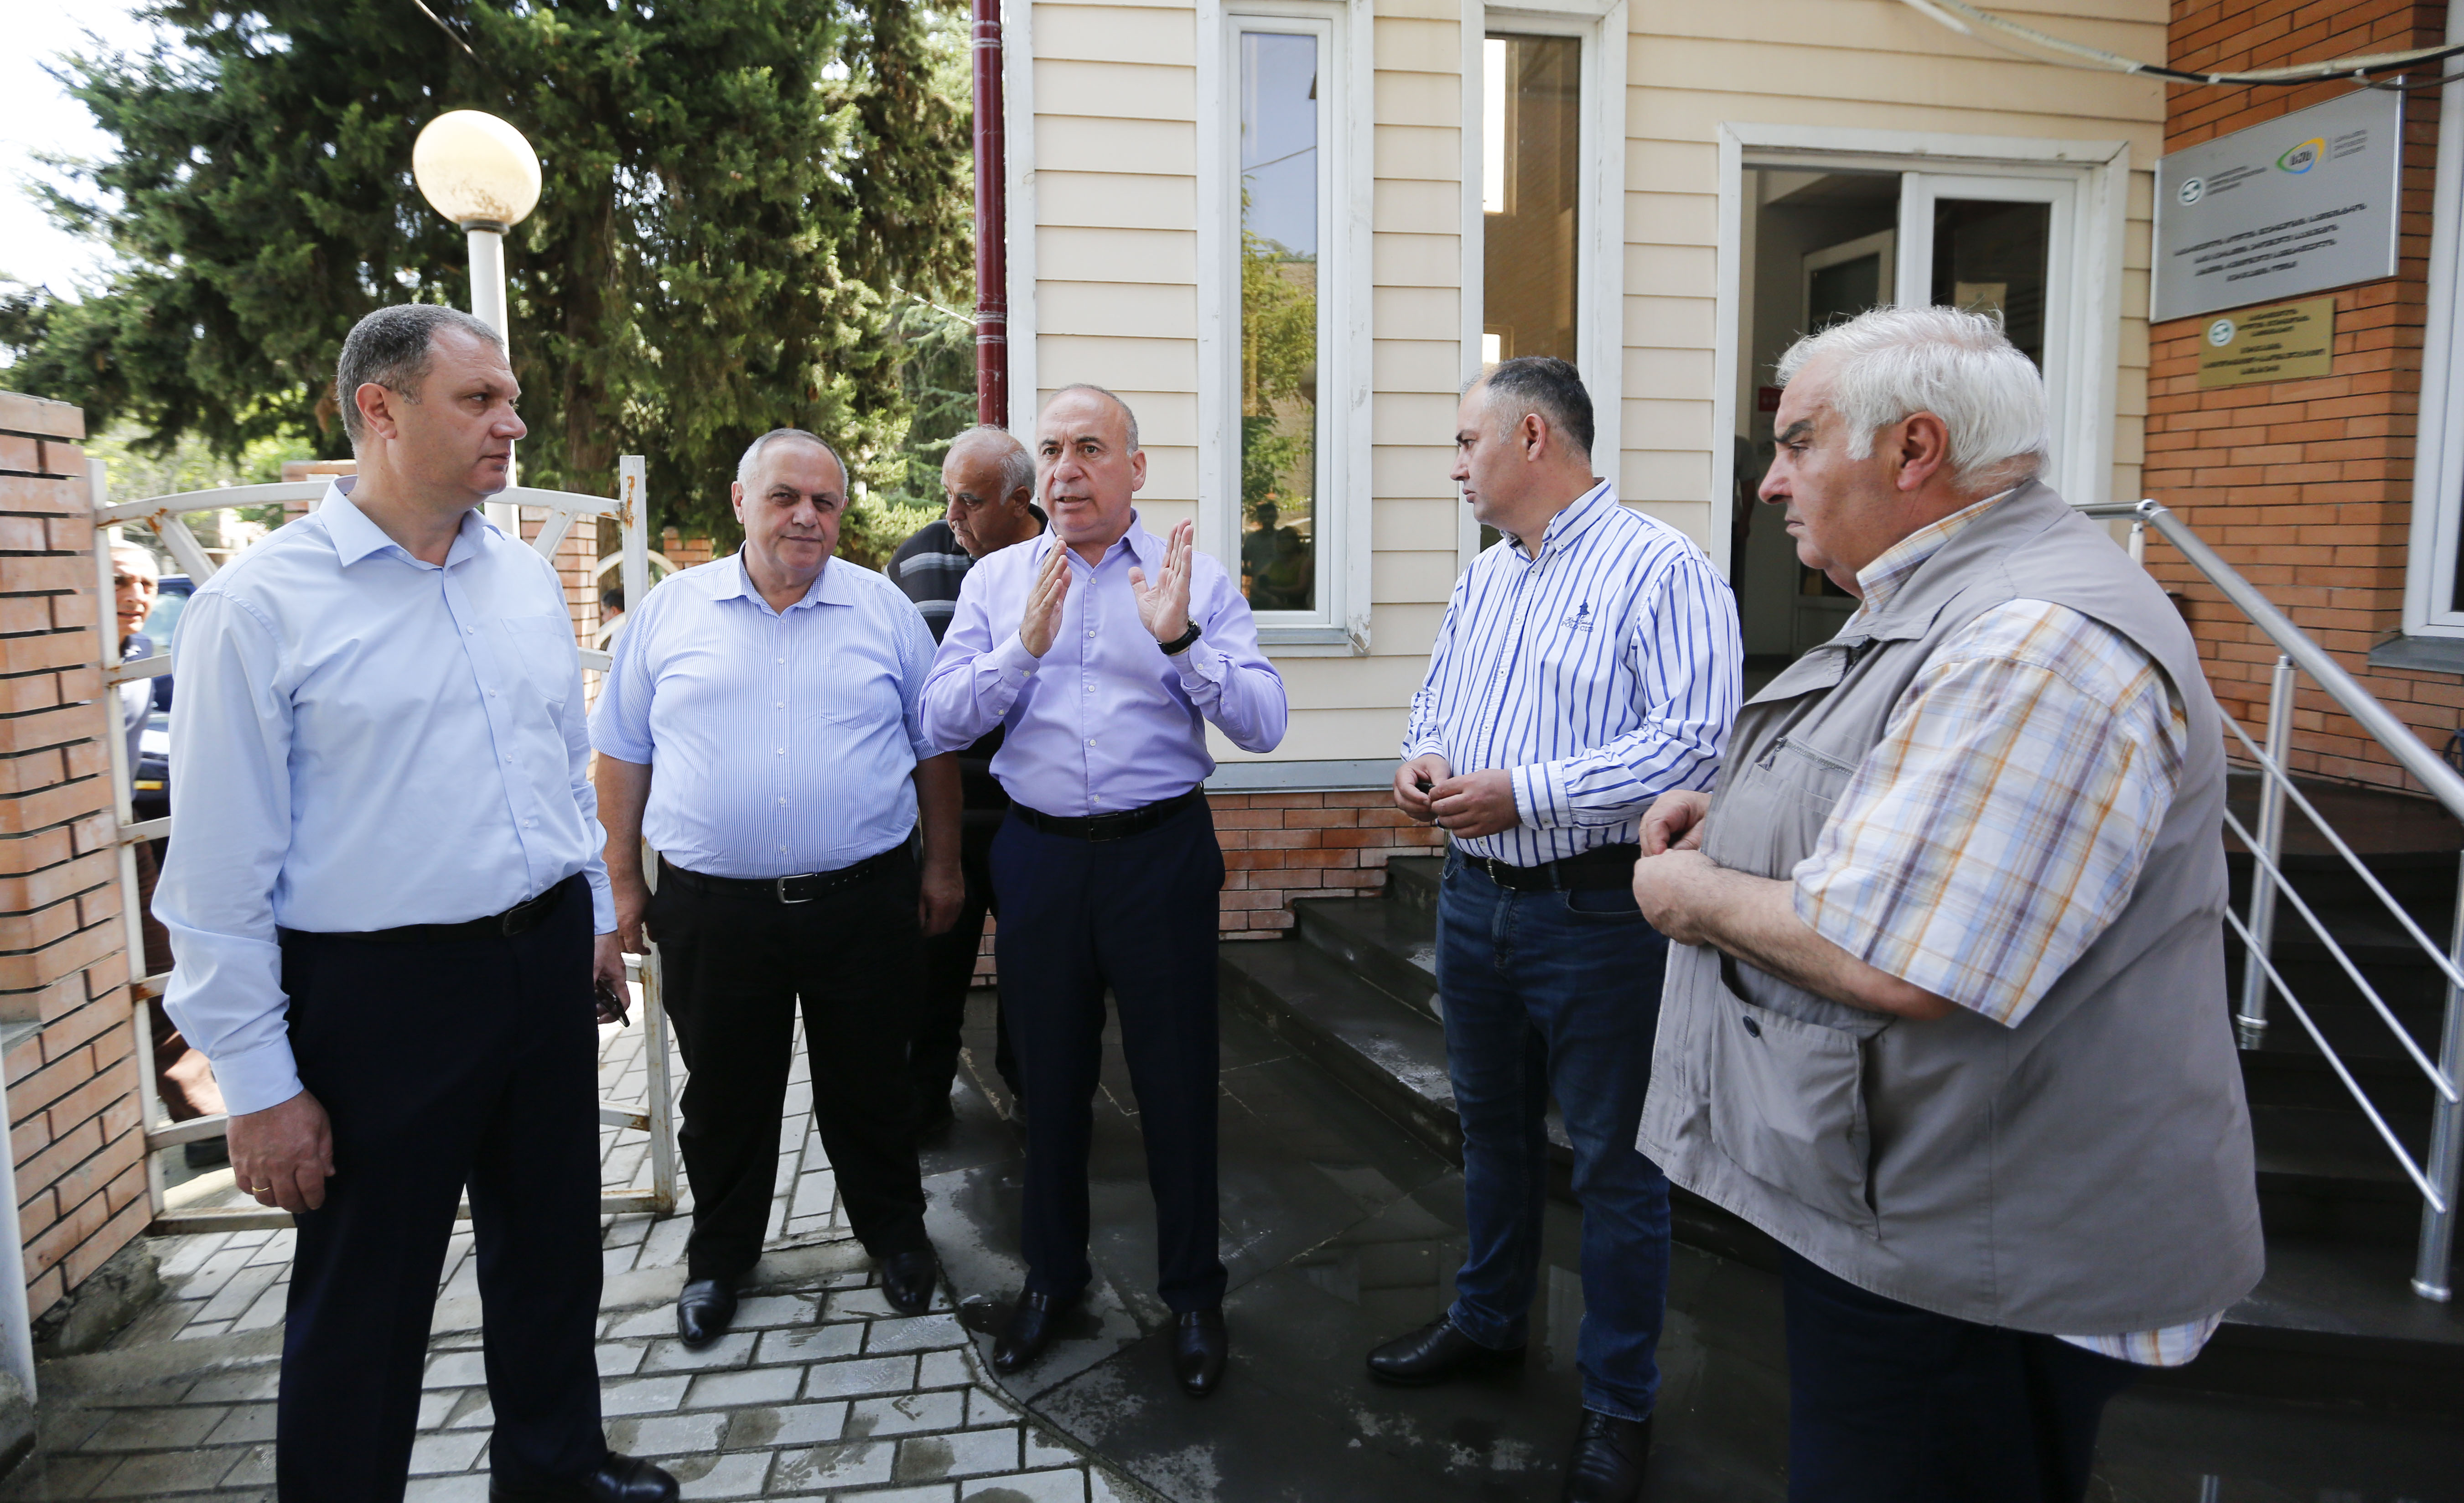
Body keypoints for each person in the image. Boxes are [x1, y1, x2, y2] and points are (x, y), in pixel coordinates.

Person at [1631, 305, 2264, 1503]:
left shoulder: (2033, 640)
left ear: (1912, 448)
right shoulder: (1956, 596)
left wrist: (1687, 894)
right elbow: (1922, 816)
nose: (1769, 483)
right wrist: (1745, 816)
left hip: (1974, 1259)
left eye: (1796, 442)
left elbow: (1902, 959)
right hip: (1927, 1214)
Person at [154, 304, 677, 1503]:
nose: (513, 423)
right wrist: (261, 1085)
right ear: (379, 411)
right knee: (366, 1299)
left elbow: (558, 768)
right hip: (377, 999)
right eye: (479, 400)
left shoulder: (519, 579)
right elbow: (217, 876)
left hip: (539, 967)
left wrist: (593, 916)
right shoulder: (261, 607)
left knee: (550, 1253)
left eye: (512, 399)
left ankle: (554, 1475)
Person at [1375, 357, 1740, 1503]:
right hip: (1473, 895)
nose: (1454, 465)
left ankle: (1617, 1402)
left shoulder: (1661, 568)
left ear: (1531, 437)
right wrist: (1422, 759)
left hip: (1597, 912)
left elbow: (1693, 741)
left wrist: (1524, 793)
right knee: (1489, 1132)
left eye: (1465, 441)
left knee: (1616, 1166)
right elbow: (1437, 701)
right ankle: (1488, 1319)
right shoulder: (1485, 579)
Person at [921, 384, 1287, 1398]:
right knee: (1048, 1086)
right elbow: (938, 719)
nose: (1067, 469)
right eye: (1051, 450)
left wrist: (1180, 640)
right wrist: (1020, 651)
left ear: (1135, 468)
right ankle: (1053, 1282)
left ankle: (1194, 1298)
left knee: (1177, 1083)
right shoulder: (997, 580)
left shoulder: (1190, 578)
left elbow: (1265, 723)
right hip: (1039, 860)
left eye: (1090, 447)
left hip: (1159, 856)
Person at [593, 428, 963, 1350]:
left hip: (863, 903)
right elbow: (623, 754)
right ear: (740, 501)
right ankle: (719, 1259)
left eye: (825, 501)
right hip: (714, 912)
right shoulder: (670, 612)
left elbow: (934, 748)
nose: (806, 516)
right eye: (785, 497)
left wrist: (943, 865)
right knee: (724, 1097)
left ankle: (896, 1236)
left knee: (872, 1085)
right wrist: (621, 883)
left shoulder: (882, 609)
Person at [889, 425, 1047, 1129]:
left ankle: (1036, 1102)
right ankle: (921, 1106)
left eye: (971, 502)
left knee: (1036, 974)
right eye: (947, 497)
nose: (951, 518)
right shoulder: (918, 559)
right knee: (929, 974)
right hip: (944, 818)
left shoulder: (1066, 559)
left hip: (1036, 819)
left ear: (1019, 501)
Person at [113, 543, 224, 1138]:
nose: (136, 597)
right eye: (119, 582)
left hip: (127, 832)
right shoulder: (65, 658)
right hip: (75, 837)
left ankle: (199, 1113)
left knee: (164, 966)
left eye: (147, 585)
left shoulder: (140, 653)